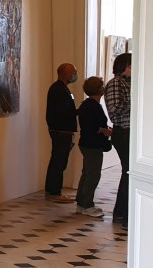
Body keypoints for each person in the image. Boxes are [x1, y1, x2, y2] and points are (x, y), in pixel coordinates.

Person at [75, 76, 113, 217]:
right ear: (98, 89)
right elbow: (90, 126)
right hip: (92, 145)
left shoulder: (89, 104)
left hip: (88, 143)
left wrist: (104, 129)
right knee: (93, 175)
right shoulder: (91, 106)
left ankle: (81, 203)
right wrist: (104, 130)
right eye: (102, 86)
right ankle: (87, 205)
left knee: (87, 173)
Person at [104, 52, 131, 225]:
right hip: (123, 132)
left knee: (128, 172)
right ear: (123, 67)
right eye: (130, 66)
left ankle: (122, 212)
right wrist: (136, 102)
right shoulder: (115, 83)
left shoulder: (128, 83)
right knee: (129, 172)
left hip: (128, 132)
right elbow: (114, 108)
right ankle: (123, 213)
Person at [45, 62, 78, 202]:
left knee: (59, 161)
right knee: (59, 161)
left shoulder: (63, 88)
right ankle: (54, 192)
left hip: (62, 130)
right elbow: (63, 111)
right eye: (73, 72)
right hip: (61, 131)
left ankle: (53, 190)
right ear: (65, 74)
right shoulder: (58, 89)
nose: (75, 75)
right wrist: (78, 111)